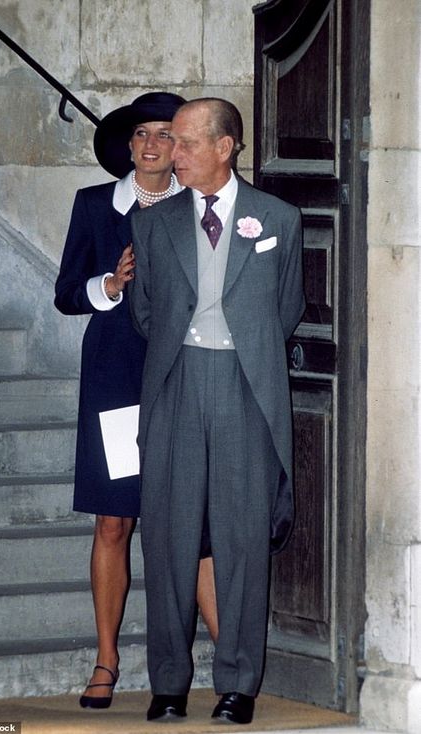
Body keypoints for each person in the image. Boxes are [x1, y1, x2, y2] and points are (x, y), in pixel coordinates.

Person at [129, 97, 305, 725]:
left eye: (184, 143)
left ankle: (238, 685)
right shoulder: (154, 224)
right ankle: (169, 684)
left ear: (225, 146)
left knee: (241, 540)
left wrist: (241, 351)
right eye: (171, 142)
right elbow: (145, 312)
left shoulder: (278, 218)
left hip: (245, 389)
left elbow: (286, 309)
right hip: (176, 384)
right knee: (171, 538)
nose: (171, 154)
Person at [54, 92, 218, 711]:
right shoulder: (95, 205)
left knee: (194, 523)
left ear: (180, 146)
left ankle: (230, 658)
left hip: (181, 376)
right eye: (141, 136)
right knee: (115, 520)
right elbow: (67, 293)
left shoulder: (199, 207)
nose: (152, 146)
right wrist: (112, 284)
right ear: (128, 147)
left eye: (164, 135)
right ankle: (106, 661)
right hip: (117, 380)